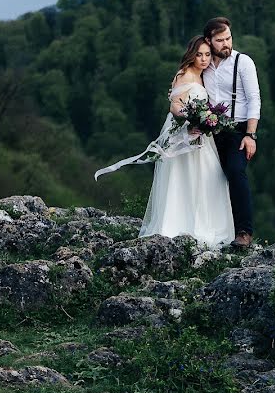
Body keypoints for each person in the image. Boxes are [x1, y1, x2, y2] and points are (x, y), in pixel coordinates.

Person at [94, 36, 235, 249]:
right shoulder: (184, 74)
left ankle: (207, 225)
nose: (204, 59)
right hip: (184, 132)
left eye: (207, 54)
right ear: (192, 54)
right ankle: (178, 224)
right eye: (199, 54)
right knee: (184, 175)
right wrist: (190, 121)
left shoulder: (205, 76)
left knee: (207, 176)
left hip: (202, 136)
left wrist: (206, 121)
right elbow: (175, 105)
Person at [202, 17, 261, 249]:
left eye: (228, 38)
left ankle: (244, 233)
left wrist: (251, 135)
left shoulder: (243, 62)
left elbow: (254, 99)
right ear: (209, 40)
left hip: (238, 130)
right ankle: (209, 230)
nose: (226, 43)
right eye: (220, 40)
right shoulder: (203, 62)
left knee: (236, 172)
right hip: (209, 131)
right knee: (206, 177)